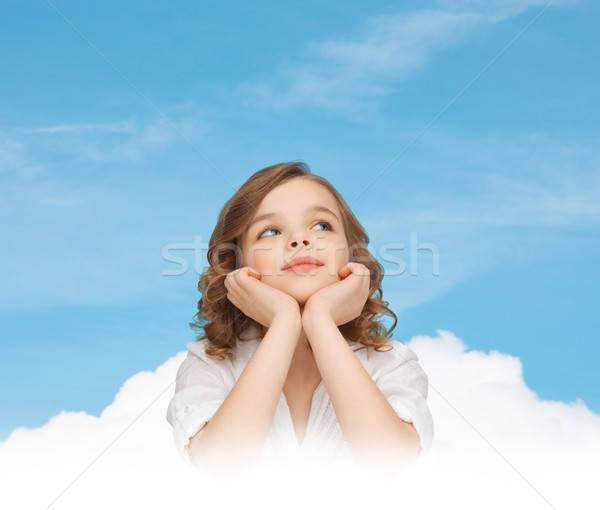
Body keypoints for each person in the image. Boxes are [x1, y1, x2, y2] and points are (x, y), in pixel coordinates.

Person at [166, 162, 433, 476]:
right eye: (271, 231)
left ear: (350, 253)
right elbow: (222, 464)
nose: (299, 240)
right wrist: (284, 320)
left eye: (321, 226)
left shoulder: (391, 363)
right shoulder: (210, 363)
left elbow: (390, 460)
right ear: (237, 265)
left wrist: (320, 319)